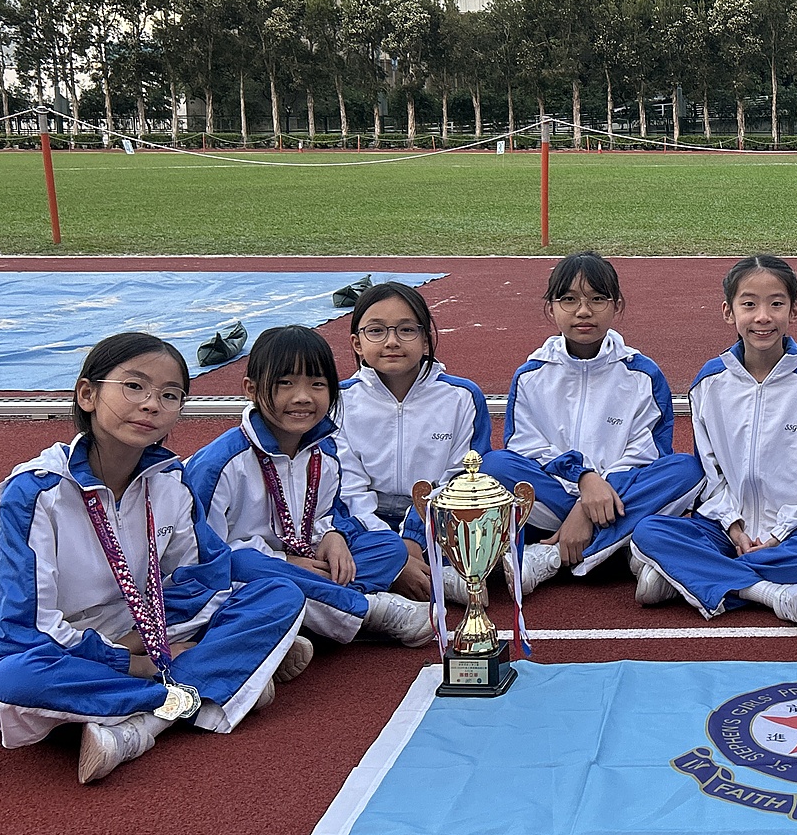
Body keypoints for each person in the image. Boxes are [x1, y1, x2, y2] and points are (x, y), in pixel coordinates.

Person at [0, 333, 309, 785]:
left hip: (143, 629)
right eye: (134, 387)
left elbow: (204, 578)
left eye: (170, 395)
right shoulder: (35, 494)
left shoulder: (169, 483)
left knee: (277, 594)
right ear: (87, 394)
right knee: (14, 681)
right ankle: (223, 680)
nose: (152, 404)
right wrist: (132, 662)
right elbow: (15, 632)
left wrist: (143, 641)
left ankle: (142, 725)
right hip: (58, 650)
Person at [631, 256, 797, 630]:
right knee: (649, 532)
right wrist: (733, 526)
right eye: (749, 304)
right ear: (728, 312)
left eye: (776, 304)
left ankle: (686, 575)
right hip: (724, 529)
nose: (762, 317)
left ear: (793, 311)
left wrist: (779, 533)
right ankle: (771, 594)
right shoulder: (709, 383)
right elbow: (710, 472)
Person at [185, 326, 433, 654]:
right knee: (244, 564)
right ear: (251, 389)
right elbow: (203, 557)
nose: (302, 397)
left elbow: (328, 513)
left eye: (317, 384)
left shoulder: (324, 452)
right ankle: (364, 610)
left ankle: (299, 620)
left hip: (305, 560)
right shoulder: (220, 463)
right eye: (285, 383)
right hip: (247, 572)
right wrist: (283, 561)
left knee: (387, 548)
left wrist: (332, 536)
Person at [484, 252, 705, 593]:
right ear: (551, 308)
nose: (583, 311)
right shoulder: (531, 375)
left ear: (617, 305)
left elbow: (647, 454)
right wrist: (583, 480)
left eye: (597, 299)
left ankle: (552, 556)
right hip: (555, 495)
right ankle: (620, 546)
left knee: (686, 470)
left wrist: (590, 505)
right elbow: (524, 447)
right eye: (569, 299)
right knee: (495, 465)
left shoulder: (642, 374)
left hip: (618, 495)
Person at [334, 281, 494, 605]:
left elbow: (459, 480)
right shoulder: (339, 401)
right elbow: (346, 489)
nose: (392, 341)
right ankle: (417, 577)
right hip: (366, 524)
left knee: (482, 524)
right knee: (329, 544)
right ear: (357, 343)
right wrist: (394, 549)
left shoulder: (462, 397)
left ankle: (402, 577)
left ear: (425, 341)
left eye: (406, 330)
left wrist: (414, 537)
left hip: (437, 522)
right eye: (376, 331)